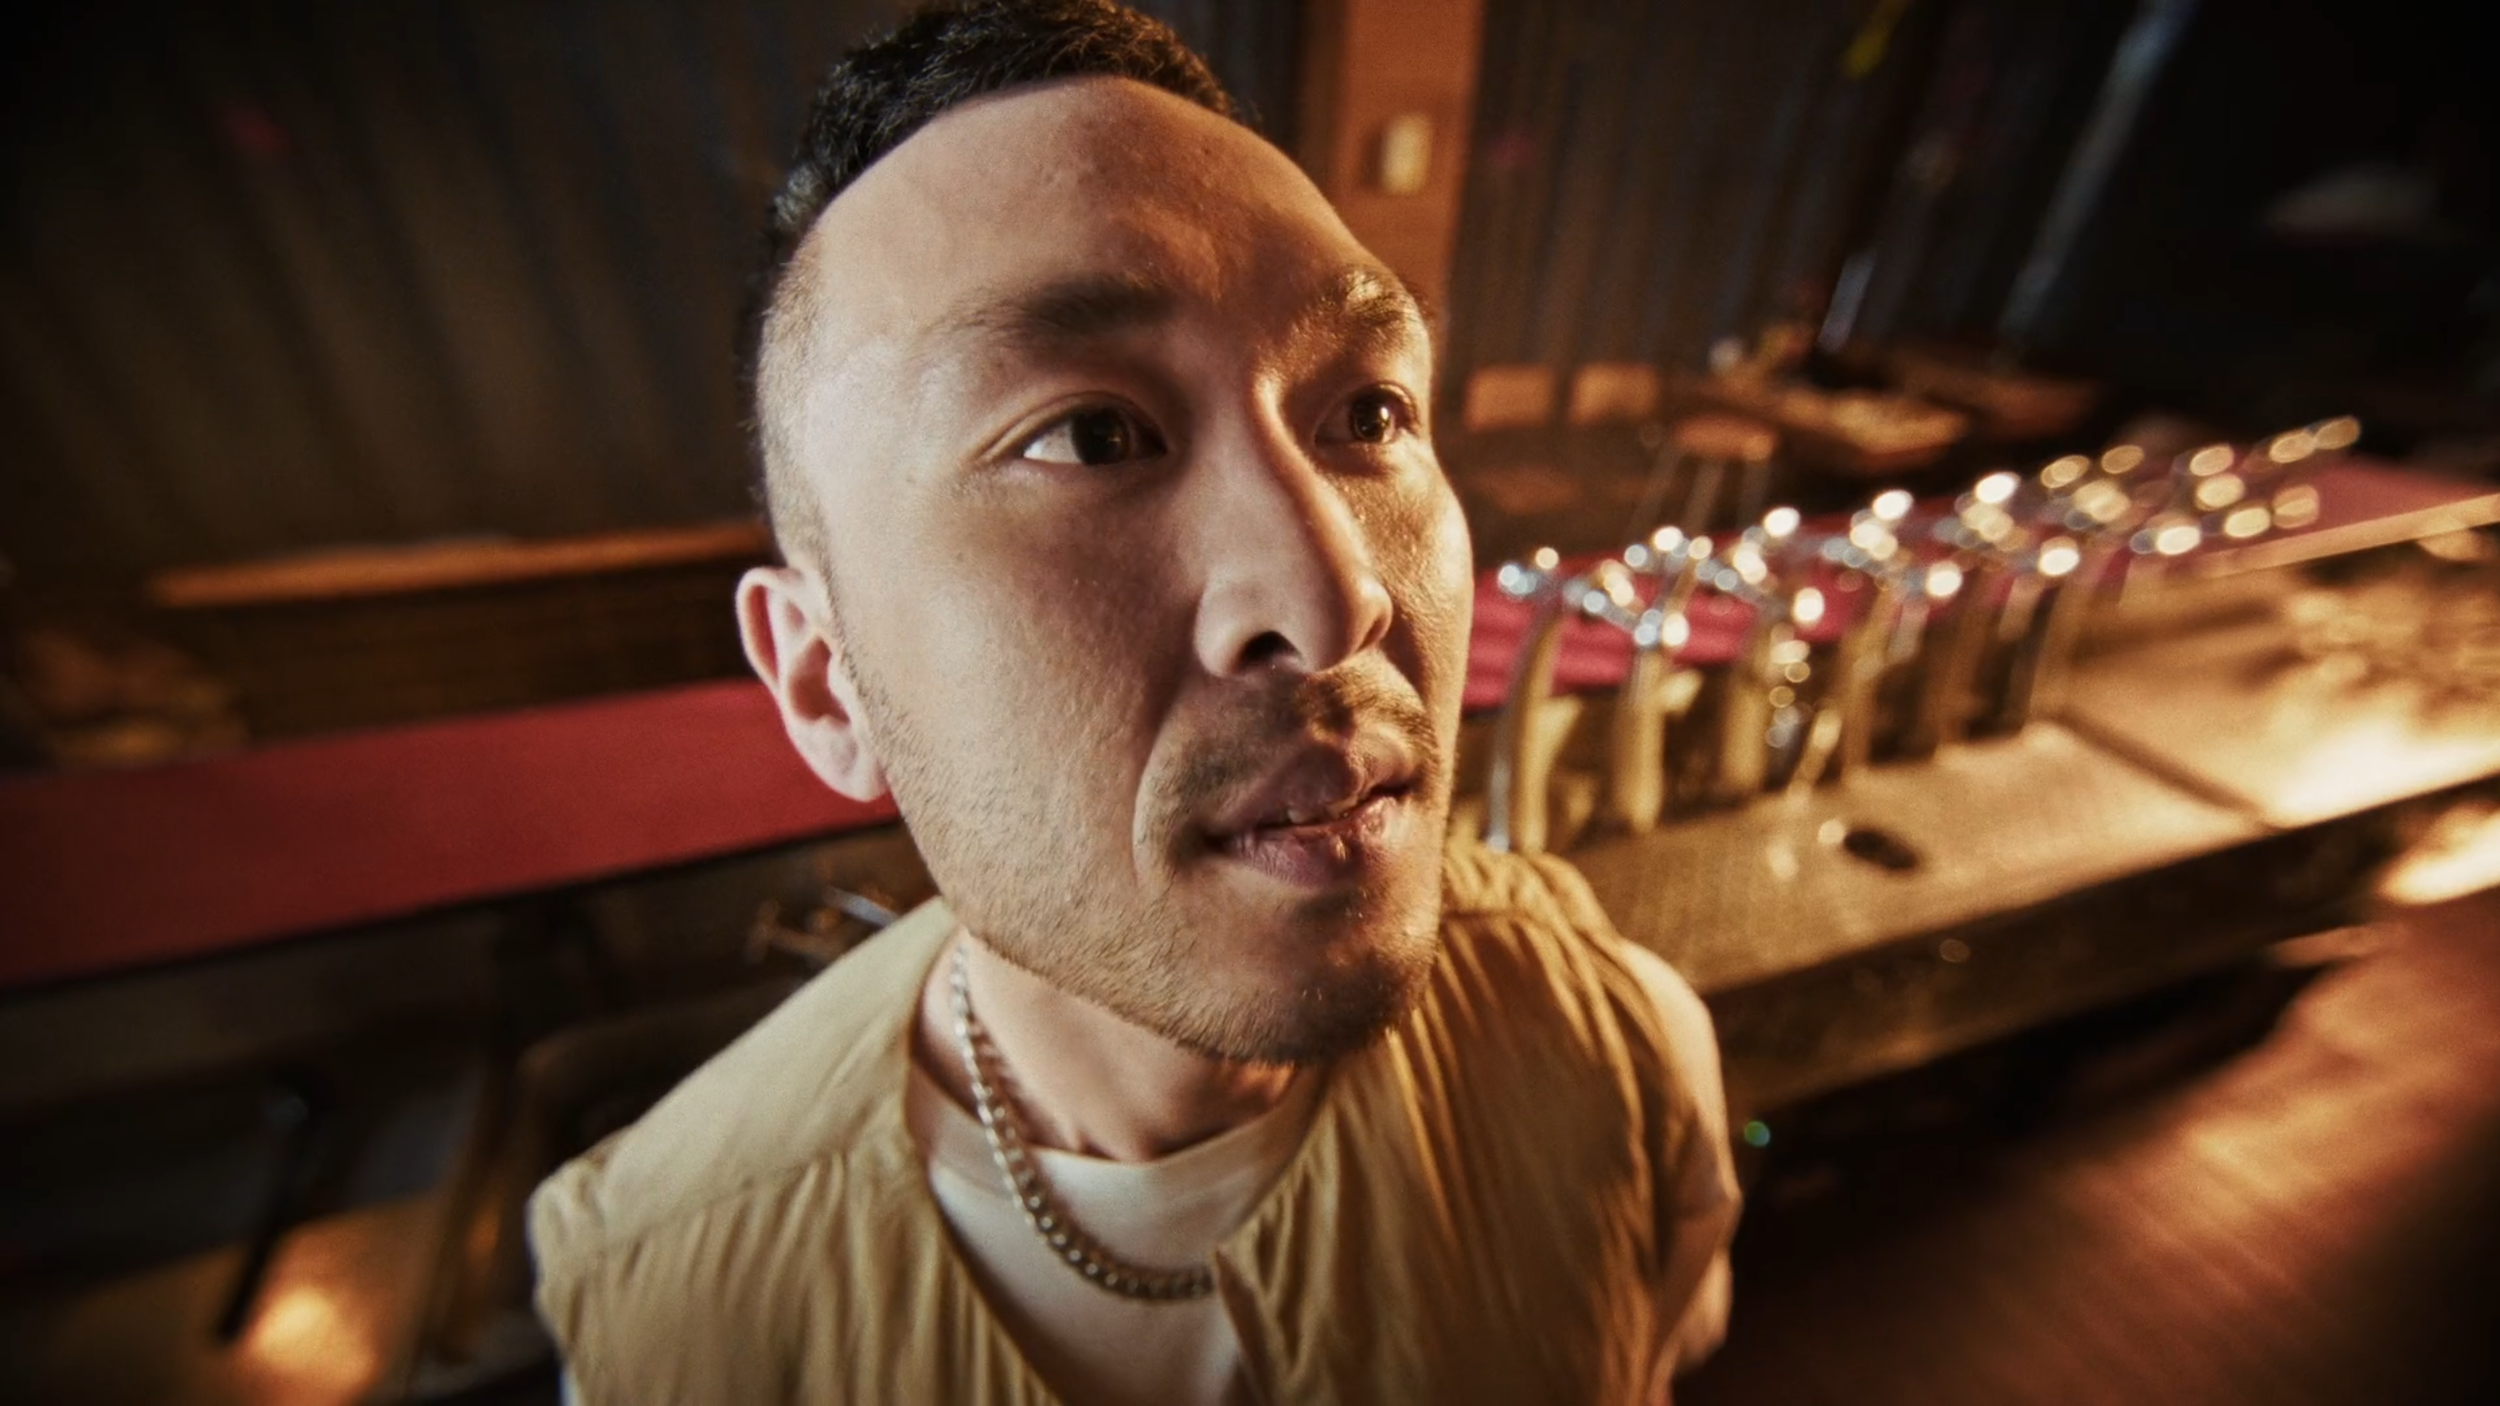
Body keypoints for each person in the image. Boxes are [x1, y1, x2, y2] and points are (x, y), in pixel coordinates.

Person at [527, 2, 1738, 1400]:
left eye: (1369, 415)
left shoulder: (1618, 1053)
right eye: (1093, 435)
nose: (1337, 597)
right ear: (823, 673)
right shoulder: (672, 1318)